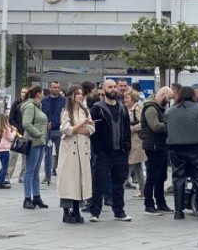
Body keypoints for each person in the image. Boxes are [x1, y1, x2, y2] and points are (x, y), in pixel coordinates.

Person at [165, 86, 198, 220]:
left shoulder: (170, 111)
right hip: (196, 148)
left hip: (176, 149)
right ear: (193, 96)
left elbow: (166, 130)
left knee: (178, 179)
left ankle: (178, 212)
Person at [89, 79, 132, 222]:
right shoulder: (97, 108)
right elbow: (93, 132)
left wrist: (127, 148)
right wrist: (98, 150)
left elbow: (127, 129)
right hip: (103, 154)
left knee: (119, 184)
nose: (113, 89)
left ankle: (119, 211)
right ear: (103, 89)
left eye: (115, 87)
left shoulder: (122, 107)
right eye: (110, 87)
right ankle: (95, 212)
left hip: (120, 153)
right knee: (99, 183)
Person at [57, 86, 95, 223]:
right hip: (69, 151)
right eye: (77, 93)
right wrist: (81, 125)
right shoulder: (67, 111)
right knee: (69, 181)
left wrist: (78, 128)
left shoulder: (85, 110)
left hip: (83, 149)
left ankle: (77, 210)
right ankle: (66, 212)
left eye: (81, 93)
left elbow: (91, 129)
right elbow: (66, 129)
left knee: (80, 180)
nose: (80, 96)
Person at [140, 86, 174, 216]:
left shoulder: (158, 108)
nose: (169, 101)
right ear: (163, 94)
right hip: (153, 146)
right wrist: (169, 124)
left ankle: (161, 203)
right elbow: (154, 126)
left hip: (160, 145)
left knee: (161, 176)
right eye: (169, 98)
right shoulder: (151, 108)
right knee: (152, 176)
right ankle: (149, 204)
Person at [22, 85, 49, 210]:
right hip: (33, 142)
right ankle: (27, 198)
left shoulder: (38, 106)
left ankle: (36, 196)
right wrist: (38, 133)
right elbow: (26, 123)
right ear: (38, 94)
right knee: (30, 171)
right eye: (42, 92)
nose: (43, 94)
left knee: (36, 171)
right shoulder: (30, 106)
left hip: (41, 142)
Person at [41, 81, 66, 184]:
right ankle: (47, 175)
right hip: (48, 131)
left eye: (58, 87)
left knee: (62, 154)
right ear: (50, 88)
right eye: (54, 87)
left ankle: (63, 175)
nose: (56, 89)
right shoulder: (44, 101)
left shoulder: (64, 100)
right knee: (48, 155)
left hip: (59, 130)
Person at [126, 91, 147, 198]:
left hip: (137, 141)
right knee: (137, 166)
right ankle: (143, 191)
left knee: (130, 164)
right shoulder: (130, 109)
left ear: (133, 99)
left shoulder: (138, 109)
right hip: (132, 141)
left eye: (127, 98)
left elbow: (143, 123)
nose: (125, 100)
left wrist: (131, 128)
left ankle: (119, 188)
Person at [7, 88, 29, 184]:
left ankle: (22, 176)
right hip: (18, 132)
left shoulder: (30, 104)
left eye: (25, 92)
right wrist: (16, 127)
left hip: (27, 132)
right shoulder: (16, 103)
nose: (23, 94)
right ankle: (8, 175)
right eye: (22, 92)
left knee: (25, 156)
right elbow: (11, 118)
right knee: (13, 155)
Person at [0, 113, 16, 189]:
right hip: (5, 149)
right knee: (5, 167)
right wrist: (14, 132)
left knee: (3, 166)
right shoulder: (6, 128)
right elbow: (11, 138)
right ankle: (0, 181)